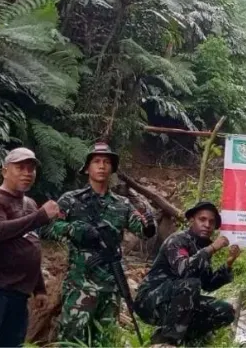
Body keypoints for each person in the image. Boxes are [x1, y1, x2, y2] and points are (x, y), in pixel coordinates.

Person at [42, 143, 157, 344]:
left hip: (110, 284)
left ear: (112, 168)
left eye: (106, 162)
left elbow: (142, 230)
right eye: (96, 161)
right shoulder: (71, 200)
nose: (102, 166)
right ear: (87, 168)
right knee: (72, 338)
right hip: (80, 284)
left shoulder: (122, 204)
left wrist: (149, 225)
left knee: (105, 340)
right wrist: (74, 229)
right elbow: (46, 229)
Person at [0, 148, 61, 347]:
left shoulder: (31, 204)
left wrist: (39, 288)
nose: (27, 173)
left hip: (18, 293)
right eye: (20, 168)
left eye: (31, 169)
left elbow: (30, 245)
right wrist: (41, 217)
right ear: (5, 171)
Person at [135, 201, 238, 345]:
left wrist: (228, 264)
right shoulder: (177, 240)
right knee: (190, 284)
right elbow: (183, 269)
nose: (207, 225)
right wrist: (212, 248)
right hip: (150, 302)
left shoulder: (202, 246)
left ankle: (183, 337)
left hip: (179, 302)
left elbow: (208, 284)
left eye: (211, 222)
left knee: (226, 311)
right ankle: (168, 341)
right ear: (191, 220)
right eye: (202, 219)